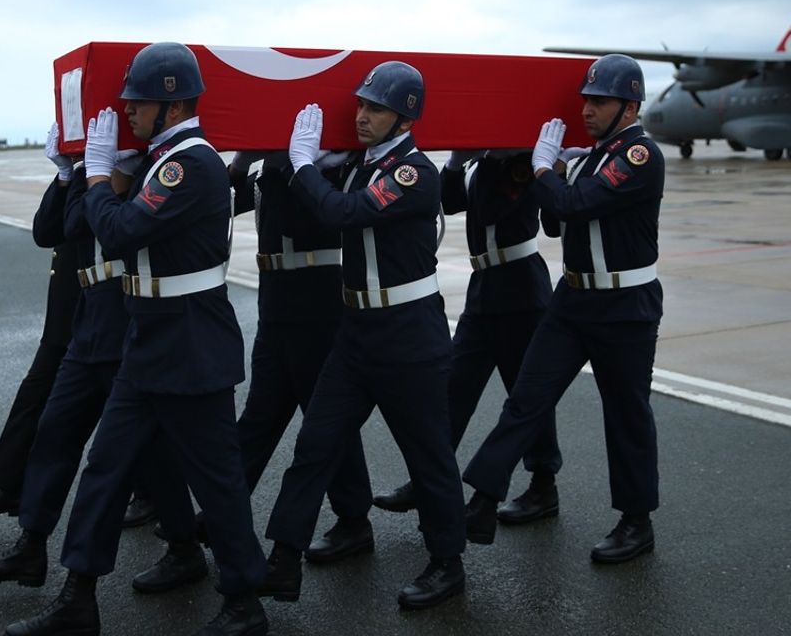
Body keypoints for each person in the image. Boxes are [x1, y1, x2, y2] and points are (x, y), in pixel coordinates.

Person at [3, 42, 267, 636]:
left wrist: (98, 176)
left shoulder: (189, 163)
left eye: (137, 106)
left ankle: (246, 601)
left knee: (217, 482)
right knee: (105, 468)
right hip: (148, 342)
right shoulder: (161, 159)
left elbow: (122, 232)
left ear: (171, 106)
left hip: (192, 347)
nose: (127, 114)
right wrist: (91, 172)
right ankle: (78, 597)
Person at [259, 62, 466, 611]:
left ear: (405, 116)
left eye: (375, 107)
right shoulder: (359, 167)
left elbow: (340, 213)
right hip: (356, 333)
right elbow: (329, 200)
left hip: (409, 336)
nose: (362, 115)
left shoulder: (414, 173)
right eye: (361, 105)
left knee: (428, 456)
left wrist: (305, 166)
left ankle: (448, 562)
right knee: (315, 445)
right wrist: (299, 166)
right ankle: (282, 558)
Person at [0, 124, 185, 594]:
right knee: (54, 435)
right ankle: (31, 546)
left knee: (145, 453)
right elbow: (52, 230)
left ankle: (185, 550)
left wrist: (102, 175)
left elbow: (107, 227)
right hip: (85, 324)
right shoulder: (93, 172)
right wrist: (68, 175)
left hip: (126, 318)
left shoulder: (149, 171)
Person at [461, 54, 664, 564]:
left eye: (600, 102)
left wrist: (544, 170)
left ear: (630, 106)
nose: (589, 110)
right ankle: (482, 498)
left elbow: (574, 205)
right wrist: (555, 171)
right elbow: (557, 222)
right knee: (525, 401)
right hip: (573, 300)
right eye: (587, 101)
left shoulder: (639, 154)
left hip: (624, 305)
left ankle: (636, 522)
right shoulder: (593, 156)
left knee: (626, 415)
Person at [372, 142, 573, 533]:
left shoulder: (519, 162)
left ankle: (543, 484)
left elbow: (498, 207)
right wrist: (454, 163)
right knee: (453, 389)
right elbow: (449, 202)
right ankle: (428, 479)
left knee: (526, 396)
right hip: (484, 289)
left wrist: (499, 157)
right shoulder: (486, 161)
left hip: (520, 290)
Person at [225, 148, 374, 564]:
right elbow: (226, 202)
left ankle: (353, 519)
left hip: (314, 304)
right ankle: (226, 509)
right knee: (259, 416)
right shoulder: (274, 170)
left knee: (324, 418)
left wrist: (285, 162)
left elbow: (303, 218)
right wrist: (240, 163)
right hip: (276, 302)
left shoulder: (325, 169)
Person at [0, 130, 82, 521]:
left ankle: (156, 499)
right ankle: (10, 486)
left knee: (131, 413)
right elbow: (45, 233)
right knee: (34, 395)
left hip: (111, 309)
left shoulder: (130, 170)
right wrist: (65, 175)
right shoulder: (85, 172)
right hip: (66, 312)